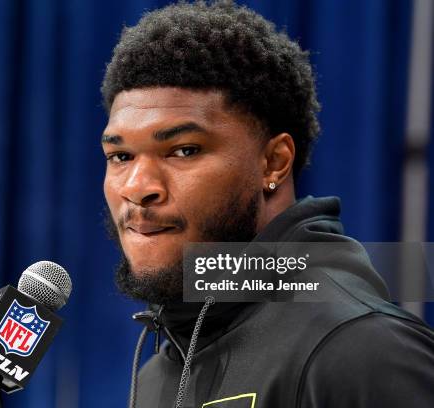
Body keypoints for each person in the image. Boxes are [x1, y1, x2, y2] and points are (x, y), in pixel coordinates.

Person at [99, 1, 434, 407]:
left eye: (184, 150)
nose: (138, 187)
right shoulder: (159, 370)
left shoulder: (360, 350)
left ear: (273, 162)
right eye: (121, 157)